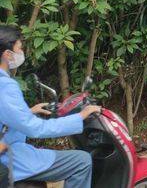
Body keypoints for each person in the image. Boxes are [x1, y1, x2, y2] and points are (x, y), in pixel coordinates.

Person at [0, 25, 101, 188]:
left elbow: (5, 115)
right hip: (10, 157)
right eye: (19, 48)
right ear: (7, 54)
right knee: (82, 161)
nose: (21, 52)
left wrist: (29, 111)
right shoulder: (5, 86)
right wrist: (79, 117)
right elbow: (36, 129)